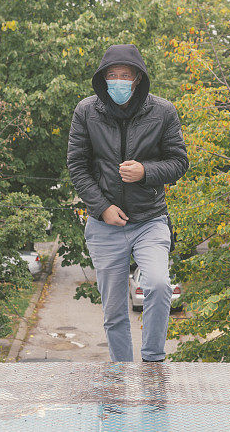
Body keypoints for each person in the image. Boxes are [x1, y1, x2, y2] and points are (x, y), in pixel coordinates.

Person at [66, 43, 189, 362]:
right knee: (115, 310)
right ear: (103, 79)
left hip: (150, 219)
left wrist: (146, 171)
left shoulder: (163, 111)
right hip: (104, 225)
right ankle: (121, 370)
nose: (118, 81)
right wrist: (102, 207)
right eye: (112, 75)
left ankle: (152, 360)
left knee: (160, 284)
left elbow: (179, 162)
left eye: (125, 75)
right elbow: (76, 165)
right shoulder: (86, 111)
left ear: (137, 79)